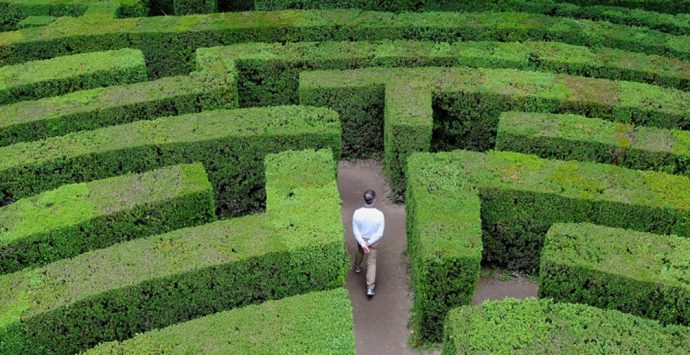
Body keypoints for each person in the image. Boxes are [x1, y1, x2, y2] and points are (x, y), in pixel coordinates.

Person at [353, 189, 385, 297]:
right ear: (374, 200)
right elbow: (380, 233)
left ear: (364, 199)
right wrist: (369, 243)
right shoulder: (379, 215)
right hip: (374, 241)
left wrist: (363, 243)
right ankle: (370, 288)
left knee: (360, 252)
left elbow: (356, 231)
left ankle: (357, 266)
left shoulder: (357, 213)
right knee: (372, 263)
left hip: (361, 239)